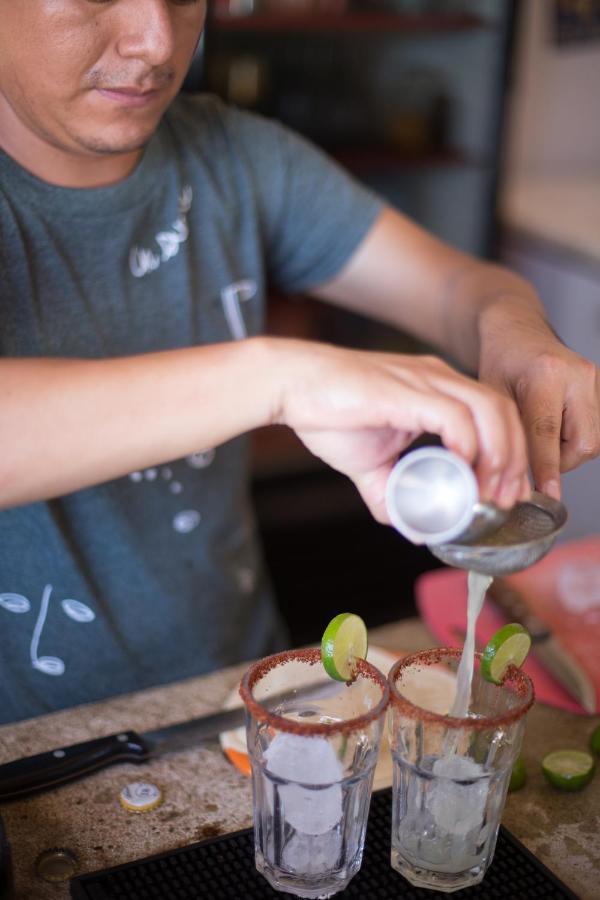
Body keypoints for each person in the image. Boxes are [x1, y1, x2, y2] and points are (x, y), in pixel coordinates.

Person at [0, 1, 598, 725]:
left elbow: (457, 287)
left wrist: (516, 331)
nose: (156, 43)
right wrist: (286, 380)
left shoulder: (235, 158)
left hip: (240, 686)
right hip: (29, 740)